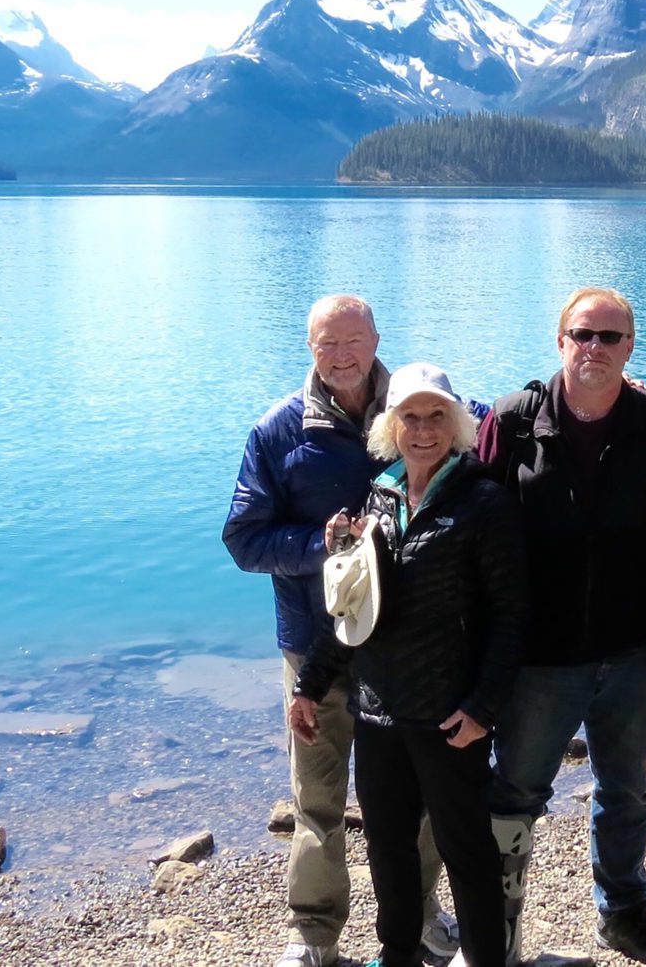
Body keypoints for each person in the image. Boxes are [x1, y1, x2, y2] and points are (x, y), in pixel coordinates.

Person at [223, 295, 456, 967]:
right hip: (314, 644)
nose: (344, 354)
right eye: (329, 344)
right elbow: (244, 539)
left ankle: (418, 918)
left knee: (420, 795)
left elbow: (488, 441)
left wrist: (615, 388)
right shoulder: (278, 431)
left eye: (354, 340)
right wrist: (322, 547)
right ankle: (314, 934)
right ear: (310, 348)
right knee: (319, 799)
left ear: (377, 338)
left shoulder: (415, 406)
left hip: (410, 646)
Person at [480, 288, 646, 964]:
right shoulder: (515, 420)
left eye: (609, 336)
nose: (593, 347)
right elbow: (476, 526)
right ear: (560, 339)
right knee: (515, 790)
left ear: (630, 347)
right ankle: (498, 920)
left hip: (633, 647)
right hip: (540, 653)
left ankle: (623, 913)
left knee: (626, 789)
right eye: (582, 333)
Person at [289, 364, 527, 967]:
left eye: (436, 417)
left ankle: (484, 960)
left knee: (465, 851)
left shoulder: (484, 502)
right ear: (390, 428)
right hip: (378, 713)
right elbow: (352, 612)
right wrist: (310, 686)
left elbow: (512, 618)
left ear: (458, 425)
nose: (423, 430)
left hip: (450, 716)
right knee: (389, 851)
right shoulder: (378, 498)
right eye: (410, 418)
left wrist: (482, 708)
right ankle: (397, 955)